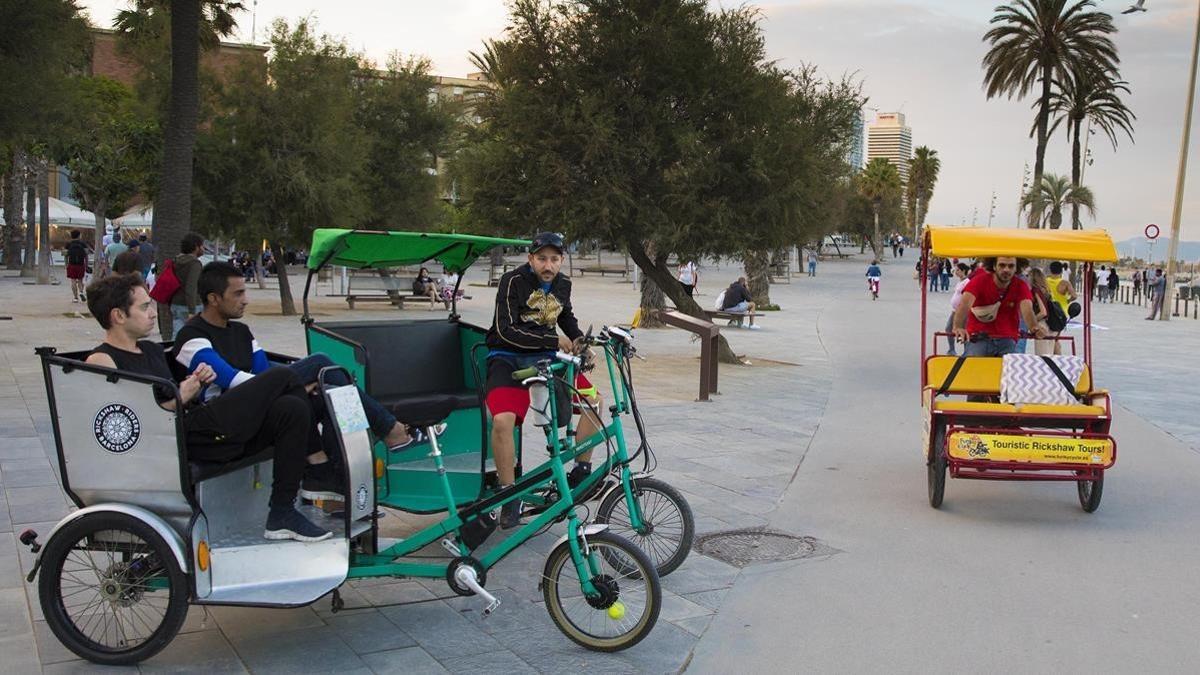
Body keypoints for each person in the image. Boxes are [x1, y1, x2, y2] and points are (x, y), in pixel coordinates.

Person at [83, 274, 332, 542]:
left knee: (290, 407)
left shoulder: (150, 350)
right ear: (119, 316)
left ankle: (281, 512)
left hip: (199, 425)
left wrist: (197, 384)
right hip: (177, 439)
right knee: (284, 378)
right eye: (144, 307)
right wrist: (181, 395)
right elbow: (129, 426)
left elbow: (173, 395)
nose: (154, 313)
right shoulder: (102, 359)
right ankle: (319, 466)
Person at [172, 262, 425, 500]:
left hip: (260, 408)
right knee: (320, 363)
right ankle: (390, 429)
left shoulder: (241, 331)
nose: (245, 300)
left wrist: (288, 386)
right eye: (237, 294)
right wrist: (289, 384)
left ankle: (333, 477)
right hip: (224, 419)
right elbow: (235, 381)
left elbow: (262, 376)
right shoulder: (191, 337)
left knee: (329, 392)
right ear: (214, 299)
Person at [484, 232, 605, 528]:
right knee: (502, 421)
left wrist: (578, 340)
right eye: (541, 259)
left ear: (561, 260)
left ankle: (581, 469)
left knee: (596, 402)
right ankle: (509, 493)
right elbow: (505, 330)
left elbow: (566, 317)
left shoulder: (563, 284)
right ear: (531, 259)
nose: (547, 265)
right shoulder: (513, 281)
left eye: (553, 259)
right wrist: (553, 341)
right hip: (507, 356)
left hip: (547, 358)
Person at [951, 256, 1047, 359]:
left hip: (1007, 338)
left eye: (1011, 266)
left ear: (1016, 268)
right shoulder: (979, 281)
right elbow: (964, 305)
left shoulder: (1021, 285)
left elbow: (1027, 309)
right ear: (994, 266)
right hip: (978, 337)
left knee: (1011, 371)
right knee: (973, 369)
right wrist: (958, 327)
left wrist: (1034, 328)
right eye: (1002, 265)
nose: (1006, 269)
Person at [169, 233, 205, 336]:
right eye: (202, 246)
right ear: (196, 247)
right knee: (193, 335)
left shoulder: (176, 260)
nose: (203, 248)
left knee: (177, 334)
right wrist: (192, 311)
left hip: (175, 303)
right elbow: (191, 287)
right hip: (189, 305)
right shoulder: (194, 264)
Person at [1027, 268, 1059, 355]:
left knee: (1042, 358)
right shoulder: (1046, 291)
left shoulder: (1035, 290)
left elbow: (1043, 312)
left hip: (1042, 325)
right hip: (1051, 325)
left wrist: (1031, 321)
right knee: (1049, 356)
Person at [944, 263, 970, 355]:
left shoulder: (967, 282)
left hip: (962, 311)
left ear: (963, 271)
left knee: (963, 330)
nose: (956, 272)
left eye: (958, 270)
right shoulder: (960, 281)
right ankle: (951, 349)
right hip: (955, 310)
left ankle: (966, 351)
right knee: (948, 328)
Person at [64, 230, 90, 303]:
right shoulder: (83, 244)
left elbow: (65, 255)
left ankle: (75, 298)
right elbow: (86, 255)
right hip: (81, 264)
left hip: (71, 264)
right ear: (79, 236)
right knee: (80, 280)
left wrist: (66, 265)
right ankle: (81, 292)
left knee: (73, 281)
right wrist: (86, 265)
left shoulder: (68, 244)